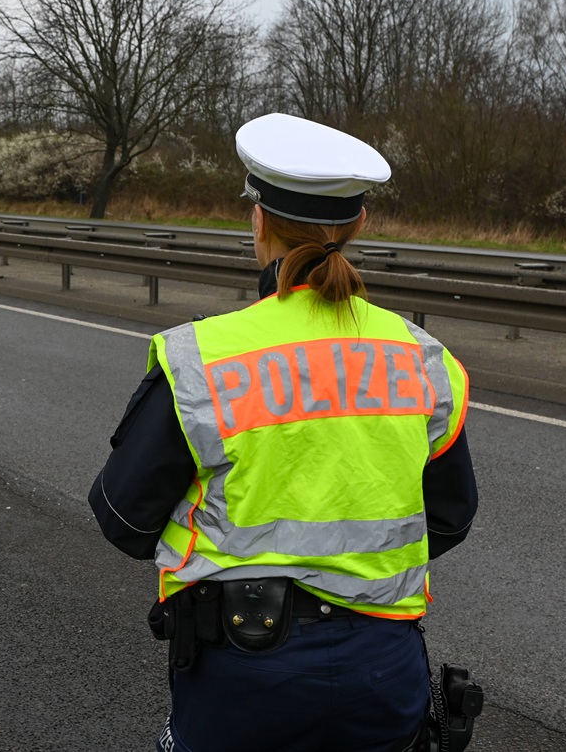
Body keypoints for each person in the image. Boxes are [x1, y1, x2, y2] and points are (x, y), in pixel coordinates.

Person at [89, 113, 478, 752]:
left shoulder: (203, 357)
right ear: (357, 226)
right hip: (382, 674)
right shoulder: (424, 357)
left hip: (243, 675)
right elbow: (451, 519)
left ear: (259, 222)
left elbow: (124, 520)